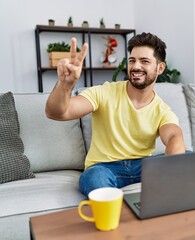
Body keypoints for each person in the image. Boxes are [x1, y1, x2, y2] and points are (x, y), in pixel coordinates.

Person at [46, 32, 186, 196]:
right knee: (93, 177)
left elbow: (173, 137)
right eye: (132, 60)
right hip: (105, 167)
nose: (136, 66)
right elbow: (57, 112)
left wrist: (175, 165)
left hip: (144, 166)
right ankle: (118, 215)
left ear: (160, 68)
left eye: (144, 61)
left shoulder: (162, 109)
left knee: (190, 158)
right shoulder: (105, 92)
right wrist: (65, 85)